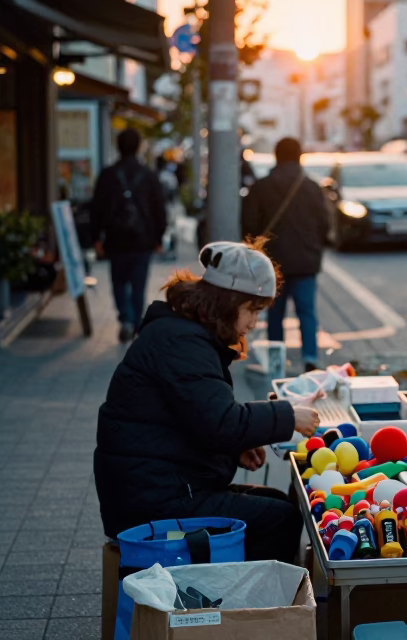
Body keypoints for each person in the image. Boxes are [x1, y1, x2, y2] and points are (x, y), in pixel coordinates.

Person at [93, 240, 321, 563]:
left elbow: (197, 419)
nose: (253, 323)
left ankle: (252, 601)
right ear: (228, 303)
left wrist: (234, 446)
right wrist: (287, 416)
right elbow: (221, 423)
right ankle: (250, 608)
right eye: (251, 310)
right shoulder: (183, 343)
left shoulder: (183, 333)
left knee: (279, 503)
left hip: (158, 487)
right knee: (280, 520)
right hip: (151, 503)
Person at [241, 138, 330, 371]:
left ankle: (275, 361)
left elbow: (248, 224)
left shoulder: (261, 187)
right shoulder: (312, 187)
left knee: (274, 314)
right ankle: (310, 358)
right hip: (305, 262)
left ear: (276, 157)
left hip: (272, 264)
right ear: (299, 157)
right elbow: (325, 224)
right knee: (307, 313)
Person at [90, 128, 168, 341]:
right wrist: (159, 238)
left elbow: (97, 208)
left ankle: (124, 318)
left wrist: (96, 237)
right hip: (143, 240)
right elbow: (159, 209)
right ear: (139, 147)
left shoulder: (108, 174)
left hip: (115, 239)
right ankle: (135, 323)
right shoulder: (149, 176)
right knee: (138, 283)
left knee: (118, 281)